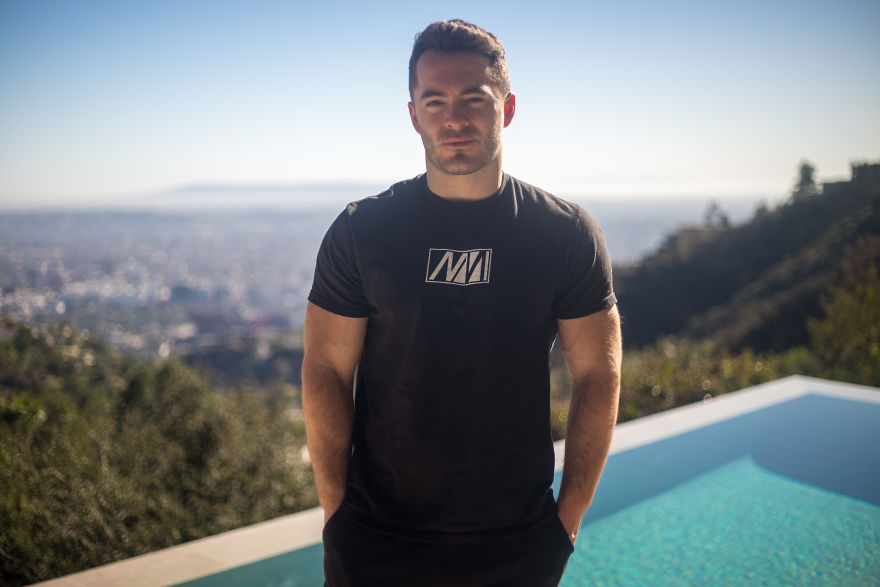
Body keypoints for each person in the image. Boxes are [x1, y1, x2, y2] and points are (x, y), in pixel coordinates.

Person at [303, 19, 621, 586]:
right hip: (376, 539)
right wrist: (337, 513)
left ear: (508, 106)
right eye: (435, 101)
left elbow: (599, 373)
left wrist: (565, 520)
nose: (454, 118)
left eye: (474, 99)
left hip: (518, 542)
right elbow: (326, 368)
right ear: (412, 115)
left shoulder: (565, 233)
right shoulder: (362, 231)